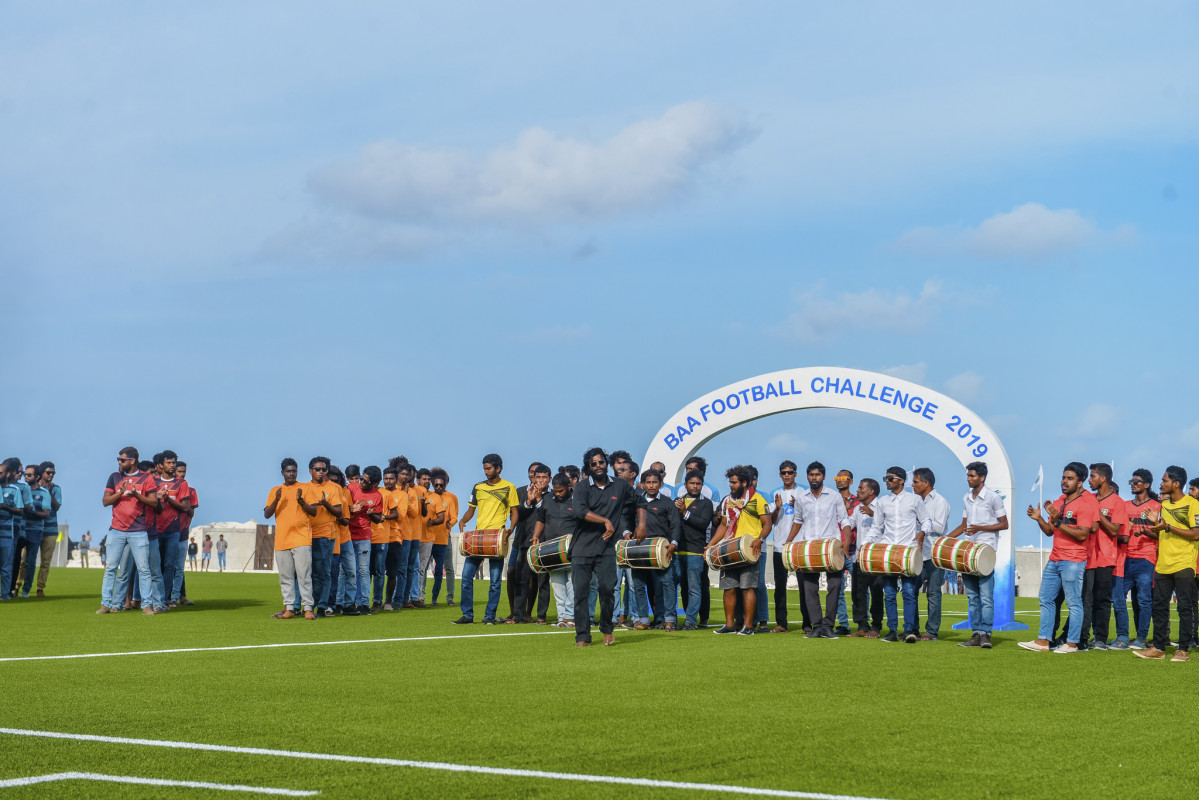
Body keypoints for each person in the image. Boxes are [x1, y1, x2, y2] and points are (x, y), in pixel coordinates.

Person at [1020, 462, 1098, 654]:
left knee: (1073, 602)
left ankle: (1072, 644)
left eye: (1070, 478)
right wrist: (1039, 518)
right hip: (1055, 559)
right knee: (1046, 598)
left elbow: (1083, 534)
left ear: (1080, 482)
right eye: (1063, 477)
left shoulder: (1086, 503)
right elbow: (1049, 531)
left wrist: (1058, 522)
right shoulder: (1058, 502)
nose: (1064, 481)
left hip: (1073, 560)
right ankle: (1043, 640)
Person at [1134, 466, 1199, 661]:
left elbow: (1196, 534)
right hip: (1163, 563)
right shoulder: (1164, 504)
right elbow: (1163, 533)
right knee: (1159, 607)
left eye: (1165, 480)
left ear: (1176, 483)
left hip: (1184, 562)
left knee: (1184, 608)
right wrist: (1155, 525)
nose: (1161, 484)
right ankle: (1159, 648)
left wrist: (1168, 526)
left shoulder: (1193, 504)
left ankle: (1183, 650)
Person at [569, 448, 632, 646]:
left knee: (607, 589)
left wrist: (639, 525)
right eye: (593, 463)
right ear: (588, 467)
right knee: (581, 592)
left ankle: (606, 628)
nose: (598, 466)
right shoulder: (581, 487)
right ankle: (582, 636)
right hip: (581, 548)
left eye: (601, 462)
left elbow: (639, 502)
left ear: (607, 464)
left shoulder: (620, 485)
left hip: (606, 548)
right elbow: (579, 511)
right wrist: (605, 520)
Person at [944, 461, 1008, 649]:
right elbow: (964, 526)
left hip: (985, 551)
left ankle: (986, 634)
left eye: (972, 476)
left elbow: (1004, 524)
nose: (968, 479)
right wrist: (946, 540)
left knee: (986, 597)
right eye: (968, 475)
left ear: (982, 477)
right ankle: (976, 634)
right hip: (968, 550)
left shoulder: (993, 498)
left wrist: (980, 527)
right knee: (972, 596)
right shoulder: (967, 498)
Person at [783, 461, 847, 639]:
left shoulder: (834, 496)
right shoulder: (802, 498)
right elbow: (797, 521)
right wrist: (788, 542)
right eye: (811, 475)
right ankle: (817, 626)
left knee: (835, 586)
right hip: (809, 548)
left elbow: (845, 520)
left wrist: (846, 541)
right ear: (807, 477)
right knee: (810, 588)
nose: (814, 478)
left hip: (831, 547)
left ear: (823, 477)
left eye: (817, 475)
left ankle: (828, 626)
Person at [453, 454, 519, 625]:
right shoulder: (478, 487)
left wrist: (511, 529)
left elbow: (514, 511)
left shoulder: (509, 487)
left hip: (497, 538)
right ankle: (467, 615)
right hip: (478, 538)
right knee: (466, 577)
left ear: (498, 468)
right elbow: (471, 510)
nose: (486, 471)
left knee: (495, 581)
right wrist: (463, 520)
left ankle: (489, 615)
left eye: (488, 468)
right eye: (484, 468)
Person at [706, 465, 770, 636]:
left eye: (734, 482)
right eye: (730, 482)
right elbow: (723, 524)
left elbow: (767, 524)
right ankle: (729, 625)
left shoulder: (758, 500)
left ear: (745, 483)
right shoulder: (728, 501)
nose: (731, 485)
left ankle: (748, 626)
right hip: (729, 548)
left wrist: (760, 539)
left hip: (749, 549)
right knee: (729, 588)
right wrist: (711, 544)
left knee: (748, 588)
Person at [872, 467, 933, 643]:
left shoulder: (914, 500)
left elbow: (926, 521)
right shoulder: (882, 502)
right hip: (889, 551)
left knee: (909, 592)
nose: (887, 481)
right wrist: (865, 544)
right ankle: (892, 631)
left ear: (901, 480)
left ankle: (908, 631)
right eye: (885, 478)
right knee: (890, 593)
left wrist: (922, 533)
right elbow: (876, 527)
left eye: (890, 478)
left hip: (908, 551)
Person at [98, 447, 161, 615]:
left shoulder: (146, 478)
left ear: (132, 461)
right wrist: (120, 492)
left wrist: (136, 495)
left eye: (122, 460)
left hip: (138, 531)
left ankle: (146, 605)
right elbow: (105, 501)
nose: (119, 462)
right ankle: (106, 604)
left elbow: (154, 502)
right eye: (118, 459)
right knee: (111, 568)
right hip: (116, 530)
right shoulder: (114, 477)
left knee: (144, 569)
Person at [264, 458, 320, 620]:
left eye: (294, 471)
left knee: (304, 576)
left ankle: (308, 608)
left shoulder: (305, 488)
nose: (291, 474)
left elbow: (314, 511)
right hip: (282, 540)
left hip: (301, 539)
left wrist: (301, 501)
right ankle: (289, 608)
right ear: (282, 472)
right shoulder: (275, 490)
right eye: (288, 471)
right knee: (286, 577)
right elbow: (267, 514)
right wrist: (277, 499)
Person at [531, 471, 579, 627]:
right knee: (558, 586)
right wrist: (536, 536)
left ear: (569, 487)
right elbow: (541, 519)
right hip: (551, 549)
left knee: (572, 585)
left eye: (561, 491)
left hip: (572, 549)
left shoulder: (578, 499)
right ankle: (561, 618)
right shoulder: (547, 499)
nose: (557, 494)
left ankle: (570, 617)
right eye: (555, 490)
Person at [1084, 463, 1124, 651]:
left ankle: (1100, 638)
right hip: (1086, 556)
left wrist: (1098, 513)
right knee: (1086, 599)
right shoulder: (1089, 498)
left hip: (1105, 558)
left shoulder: (1117, 502)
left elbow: (1115, 530)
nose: (1089, 480)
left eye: (1092, 476)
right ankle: (1083, 636)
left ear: (1103, 478)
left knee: (1102, 599)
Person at [634, 468, 681, 629]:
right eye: (648, 482)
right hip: (639, 549)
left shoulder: (667, 503)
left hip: (661, 549)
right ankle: (643, 621)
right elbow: (625, 519)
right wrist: (626, 533)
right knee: (638, 585)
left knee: (667, 584)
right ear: (642, 484)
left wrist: (673, 543)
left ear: (661, 484)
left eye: (655, 482)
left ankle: (669, 621)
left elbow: (675, 525)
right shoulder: (636, 501)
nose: (651, 485)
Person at [1121, 469, 1159, 649]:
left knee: (1144, 600)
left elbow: (1162, 535)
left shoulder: (1157, 506)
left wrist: (1146, 532)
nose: (1132, 484)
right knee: (1119, 598)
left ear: (1147, 484)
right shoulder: (1125, 506)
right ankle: (1123, 636)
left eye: (1136, 481)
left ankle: (1141, 638)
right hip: (1126, 558)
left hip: (1146, 558)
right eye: (1131, 481)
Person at [672, 470, 714, 630]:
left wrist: (684, 512)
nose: (695, 486)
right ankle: (679, 619)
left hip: (695, 551)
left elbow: (703, 524)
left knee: (695, 588)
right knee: (682, 588)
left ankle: (691, 621)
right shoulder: (677, 501)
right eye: (692, 483)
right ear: (685, 485)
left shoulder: (706, 503)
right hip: (677, 551)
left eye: (698, 484)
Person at [912, 467, 950, 641]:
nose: (913, 485)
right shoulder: (915, 501)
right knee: (911, 590)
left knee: (933, 593)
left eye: (915, 482)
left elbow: (940, 528)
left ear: (926, 483)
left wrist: (922, 520)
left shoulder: (940, 501)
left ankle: (932, 631)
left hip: (934, 554)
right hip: (917, 553)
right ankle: (912, 628)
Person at [843, 478, 884, 637]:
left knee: (876, 593)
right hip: (859, 557)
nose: (857, 491)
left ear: (871, 491)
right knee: (858, 593)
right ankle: (862, 626)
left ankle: (876, 627)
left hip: (876, 557)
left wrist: (874, 514)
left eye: (861, 488)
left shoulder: (882, 506)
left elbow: (890, 526)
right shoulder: (858, 508)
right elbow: (848, 524)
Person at [512, 464, 551, 623]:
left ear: (550, 479)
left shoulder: (553, 495)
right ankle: (518, 616)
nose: (540, 480)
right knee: (520, 580)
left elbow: (547, 515)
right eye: (537, 477)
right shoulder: (523, 492)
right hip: (525, 542)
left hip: (545, 544)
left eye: (544, 477)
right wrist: (528, 501)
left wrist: (539, 499)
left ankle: (541, 616)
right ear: (533, 478)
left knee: (543, 582)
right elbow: (518, 516)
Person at [306, 457, 342, 616]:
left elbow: (339, 512)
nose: (321, 472)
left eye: (324, 469)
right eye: (317, 469)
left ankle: (322, 606)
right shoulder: (305, 488)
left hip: (325, 535)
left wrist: (325, 503)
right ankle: (308, 605)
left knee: (324, 572)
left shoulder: (333, 488)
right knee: (310, 573)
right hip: (306, 535)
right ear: (310, 471)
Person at [346, 465, 383, 616]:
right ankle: (348, 603)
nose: (361, 482)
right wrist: (351, 509)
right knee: (349, 571)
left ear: (373, 483)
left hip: (363, 536)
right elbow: (342, 508)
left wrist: (371, 514)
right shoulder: (351, 488)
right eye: (361, 478)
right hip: (348, 535)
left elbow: (378, 519)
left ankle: (364, 604)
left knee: (363, 571)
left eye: (365, 481)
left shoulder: (377, 496)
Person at [768, 461, 800, 633]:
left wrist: (798, 506)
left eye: (790, 472)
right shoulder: (774, 493)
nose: (787, 475)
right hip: (779, 546)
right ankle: (781, 623)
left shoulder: (803, 492)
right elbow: (771, 521)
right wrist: (777, 509)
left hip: (799, 546)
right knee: (780, 587)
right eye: (784, 472)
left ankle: (808, 623)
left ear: (795, 474)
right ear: (780, 474)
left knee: (805, 586)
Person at [832, 469, 861, 635]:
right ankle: (843, 624)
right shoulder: (831, 500)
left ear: (851, 481)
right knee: (837, 589)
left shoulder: (858, 502)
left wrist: (847, 510)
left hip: (853, 550)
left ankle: (863, 623)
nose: (839, 480)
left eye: (843, 478)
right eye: (837, 477)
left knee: (859, 590)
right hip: (835, 551)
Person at [33, 461, 63, 597]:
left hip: (50, 530)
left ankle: (40, 588)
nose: (51, 475)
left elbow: (56, 507)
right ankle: (18, 586)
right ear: (41, 473)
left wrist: (49, 492)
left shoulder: (56, 488)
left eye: (53, 472)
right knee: (25, 560)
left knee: (45, 562)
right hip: (33, 528)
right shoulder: (32, 487)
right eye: (48, 472)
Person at [0, 459, 19, 598]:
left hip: (6, 534)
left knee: (6, 567)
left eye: (0, 473)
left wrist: (5, 507)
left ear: (7, 474)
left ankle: (5, 594)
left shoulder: (14, 490)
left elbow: (20, 510)